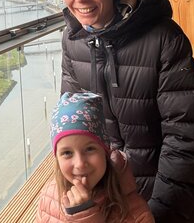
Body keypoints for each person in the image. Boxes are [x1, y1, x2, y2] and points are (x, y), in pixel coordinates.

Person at [60, 0, 194, 223]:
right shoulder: (72, 41)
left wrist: (160, 212)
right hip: (110, 199)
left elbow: (184, 136)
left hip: (170, 199)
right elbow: (72, 128)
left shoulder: (165, 38)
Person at [36, 91, 154, 223]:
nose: (80, 163)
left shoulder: (136, 213)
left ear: (105, 151)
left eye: (90, 149)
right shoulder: (49, 197)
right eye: (67, 153)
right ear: (57, 158)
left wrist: (86, 217)